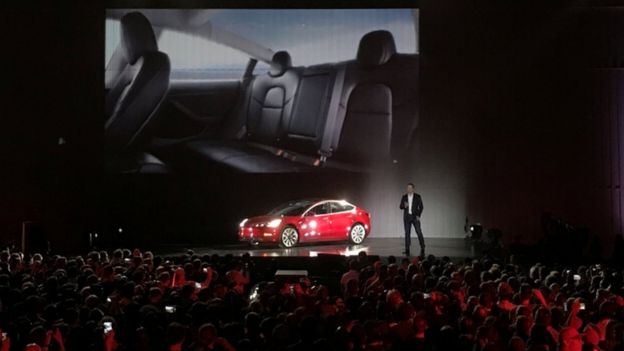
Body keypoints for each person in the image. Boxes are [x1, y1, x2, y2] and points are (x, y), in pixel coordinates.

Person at [399, 182, 425, 256]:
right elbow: (400, 206)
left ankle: (422, 246)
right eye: (408, 188)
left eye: (410, 188)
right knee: (407, 233)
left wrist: (418, 215)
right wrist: (404, 206)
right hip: (407, 218)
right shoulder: (404, 197)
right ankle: (407, 249)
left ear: (413, 189)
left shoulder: (417, 196)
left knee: (418, 231)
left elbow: (421, 207)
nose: (409, 189)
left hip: (415, 217)